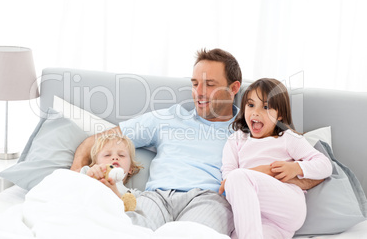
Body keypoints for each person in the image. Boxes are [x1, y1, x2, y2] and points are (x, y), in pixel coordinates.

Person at [71, 48, 322, 236]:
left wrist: (287, 173)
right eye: (195, 84)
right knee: (126, 231)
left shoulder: (251, 128)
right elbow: (98, 139)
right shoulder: (168, 117)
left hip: (209, 199)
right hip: (156, 197)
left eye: (210, 85)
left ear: (234, 88)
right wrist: (75, 175)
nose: (199, 93)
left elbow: (312, 169)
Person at [219, 78, 332, 239]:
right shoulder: (236, 139)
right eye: (250, 105)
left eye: (266, 107)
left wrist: (296, 168)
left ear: (279, 114)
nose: (256, 112)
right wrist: (259, 172)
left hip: (286, 207)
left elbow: (324, 165)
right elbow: (227, 178)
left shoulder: (287, 138)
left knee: (237, 177)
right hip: (257, 219)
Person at [80, 133, 142, 198]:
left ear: (130, 168)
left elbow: (137, 207)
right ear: (96, 164)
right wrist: (90, 175)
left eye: (121, 155)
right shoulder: (89, 172)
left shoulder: (132, 194)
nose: (115, 157)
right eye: (107, 155)